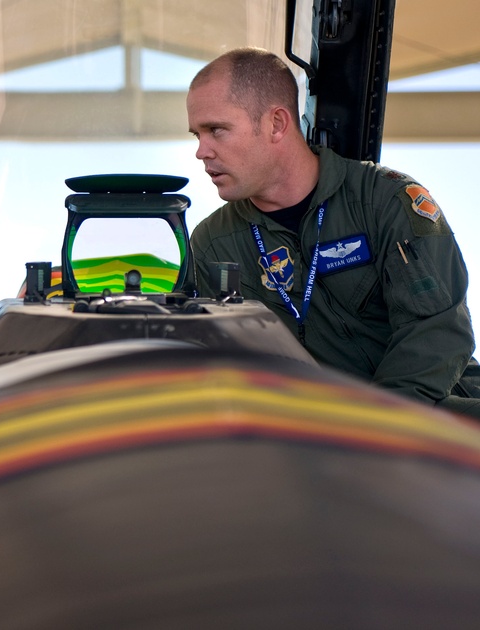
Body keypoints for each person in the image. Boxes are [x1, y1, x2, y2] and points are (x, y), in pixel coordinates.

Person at [187, 47, 480, 418]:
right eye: (197, 134)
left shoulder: (386, 200)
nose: (201, 151)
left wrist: (376, 428)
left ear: (277, 123)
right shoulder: (213, 244)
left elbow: (437, 331)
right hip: (315, 441)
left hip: (434, 419)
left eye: (216, 130)